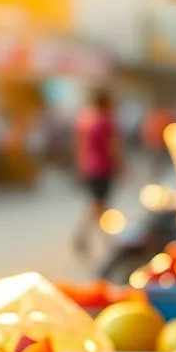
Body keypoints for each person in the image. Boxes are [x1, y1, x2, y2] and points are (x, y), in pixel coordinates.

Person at [73, 89, 121, 254]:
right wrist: (119, 165)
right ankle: (104, 238)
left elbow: (80, 144)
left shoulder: (85, 119)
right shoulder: (106, 121)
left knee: (97, 204)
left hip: (88, 166)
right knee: (99, 205)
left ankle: (90, 236)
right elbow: (112, 146)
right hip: (103, 167)